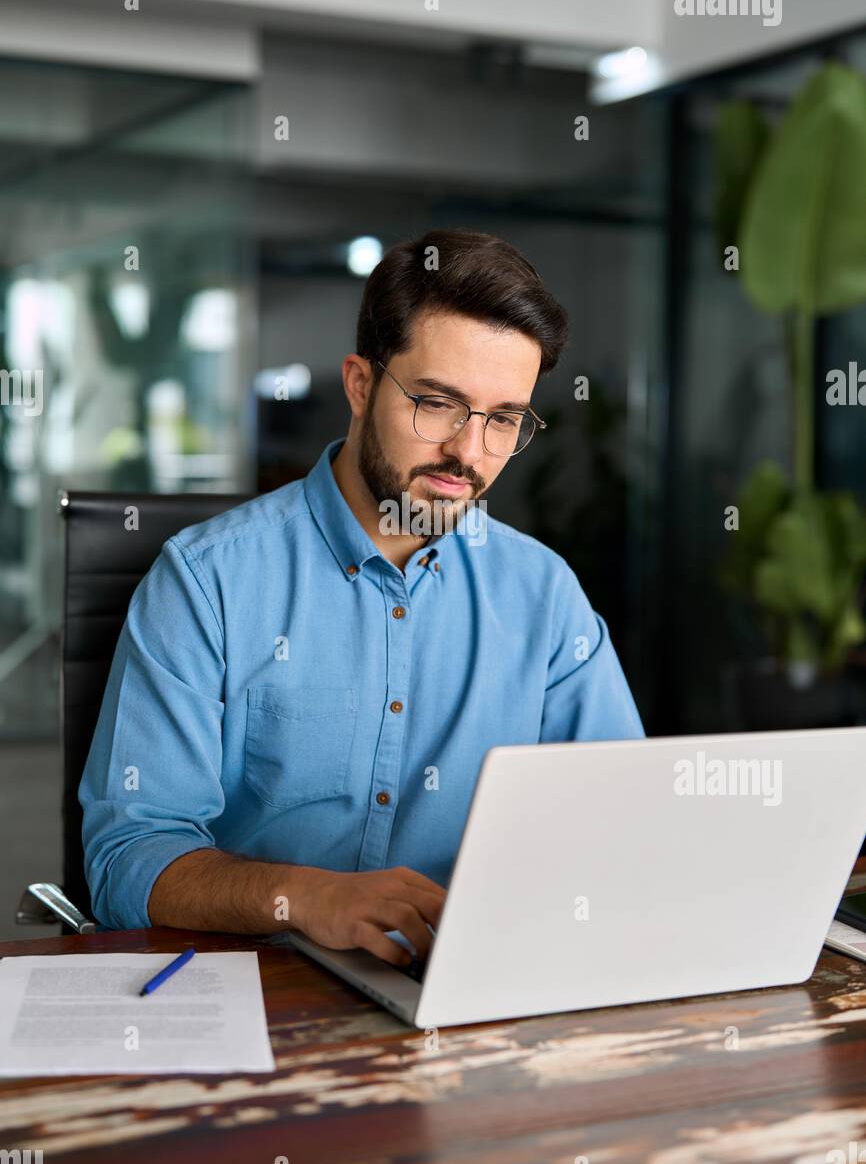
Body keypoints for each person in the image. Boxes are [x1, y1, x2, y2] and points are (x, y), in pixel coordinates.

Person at [80, 229, 644, 968]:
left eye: (504, 418)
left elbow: (624, 822)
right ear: (359, 384)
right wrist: (310, 897)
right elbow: (128, 857)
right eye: (438, 403)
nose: (469, 454)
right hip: (261, 991)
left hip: (471, 992)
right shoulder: (207, 581)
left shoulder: (543, 597)